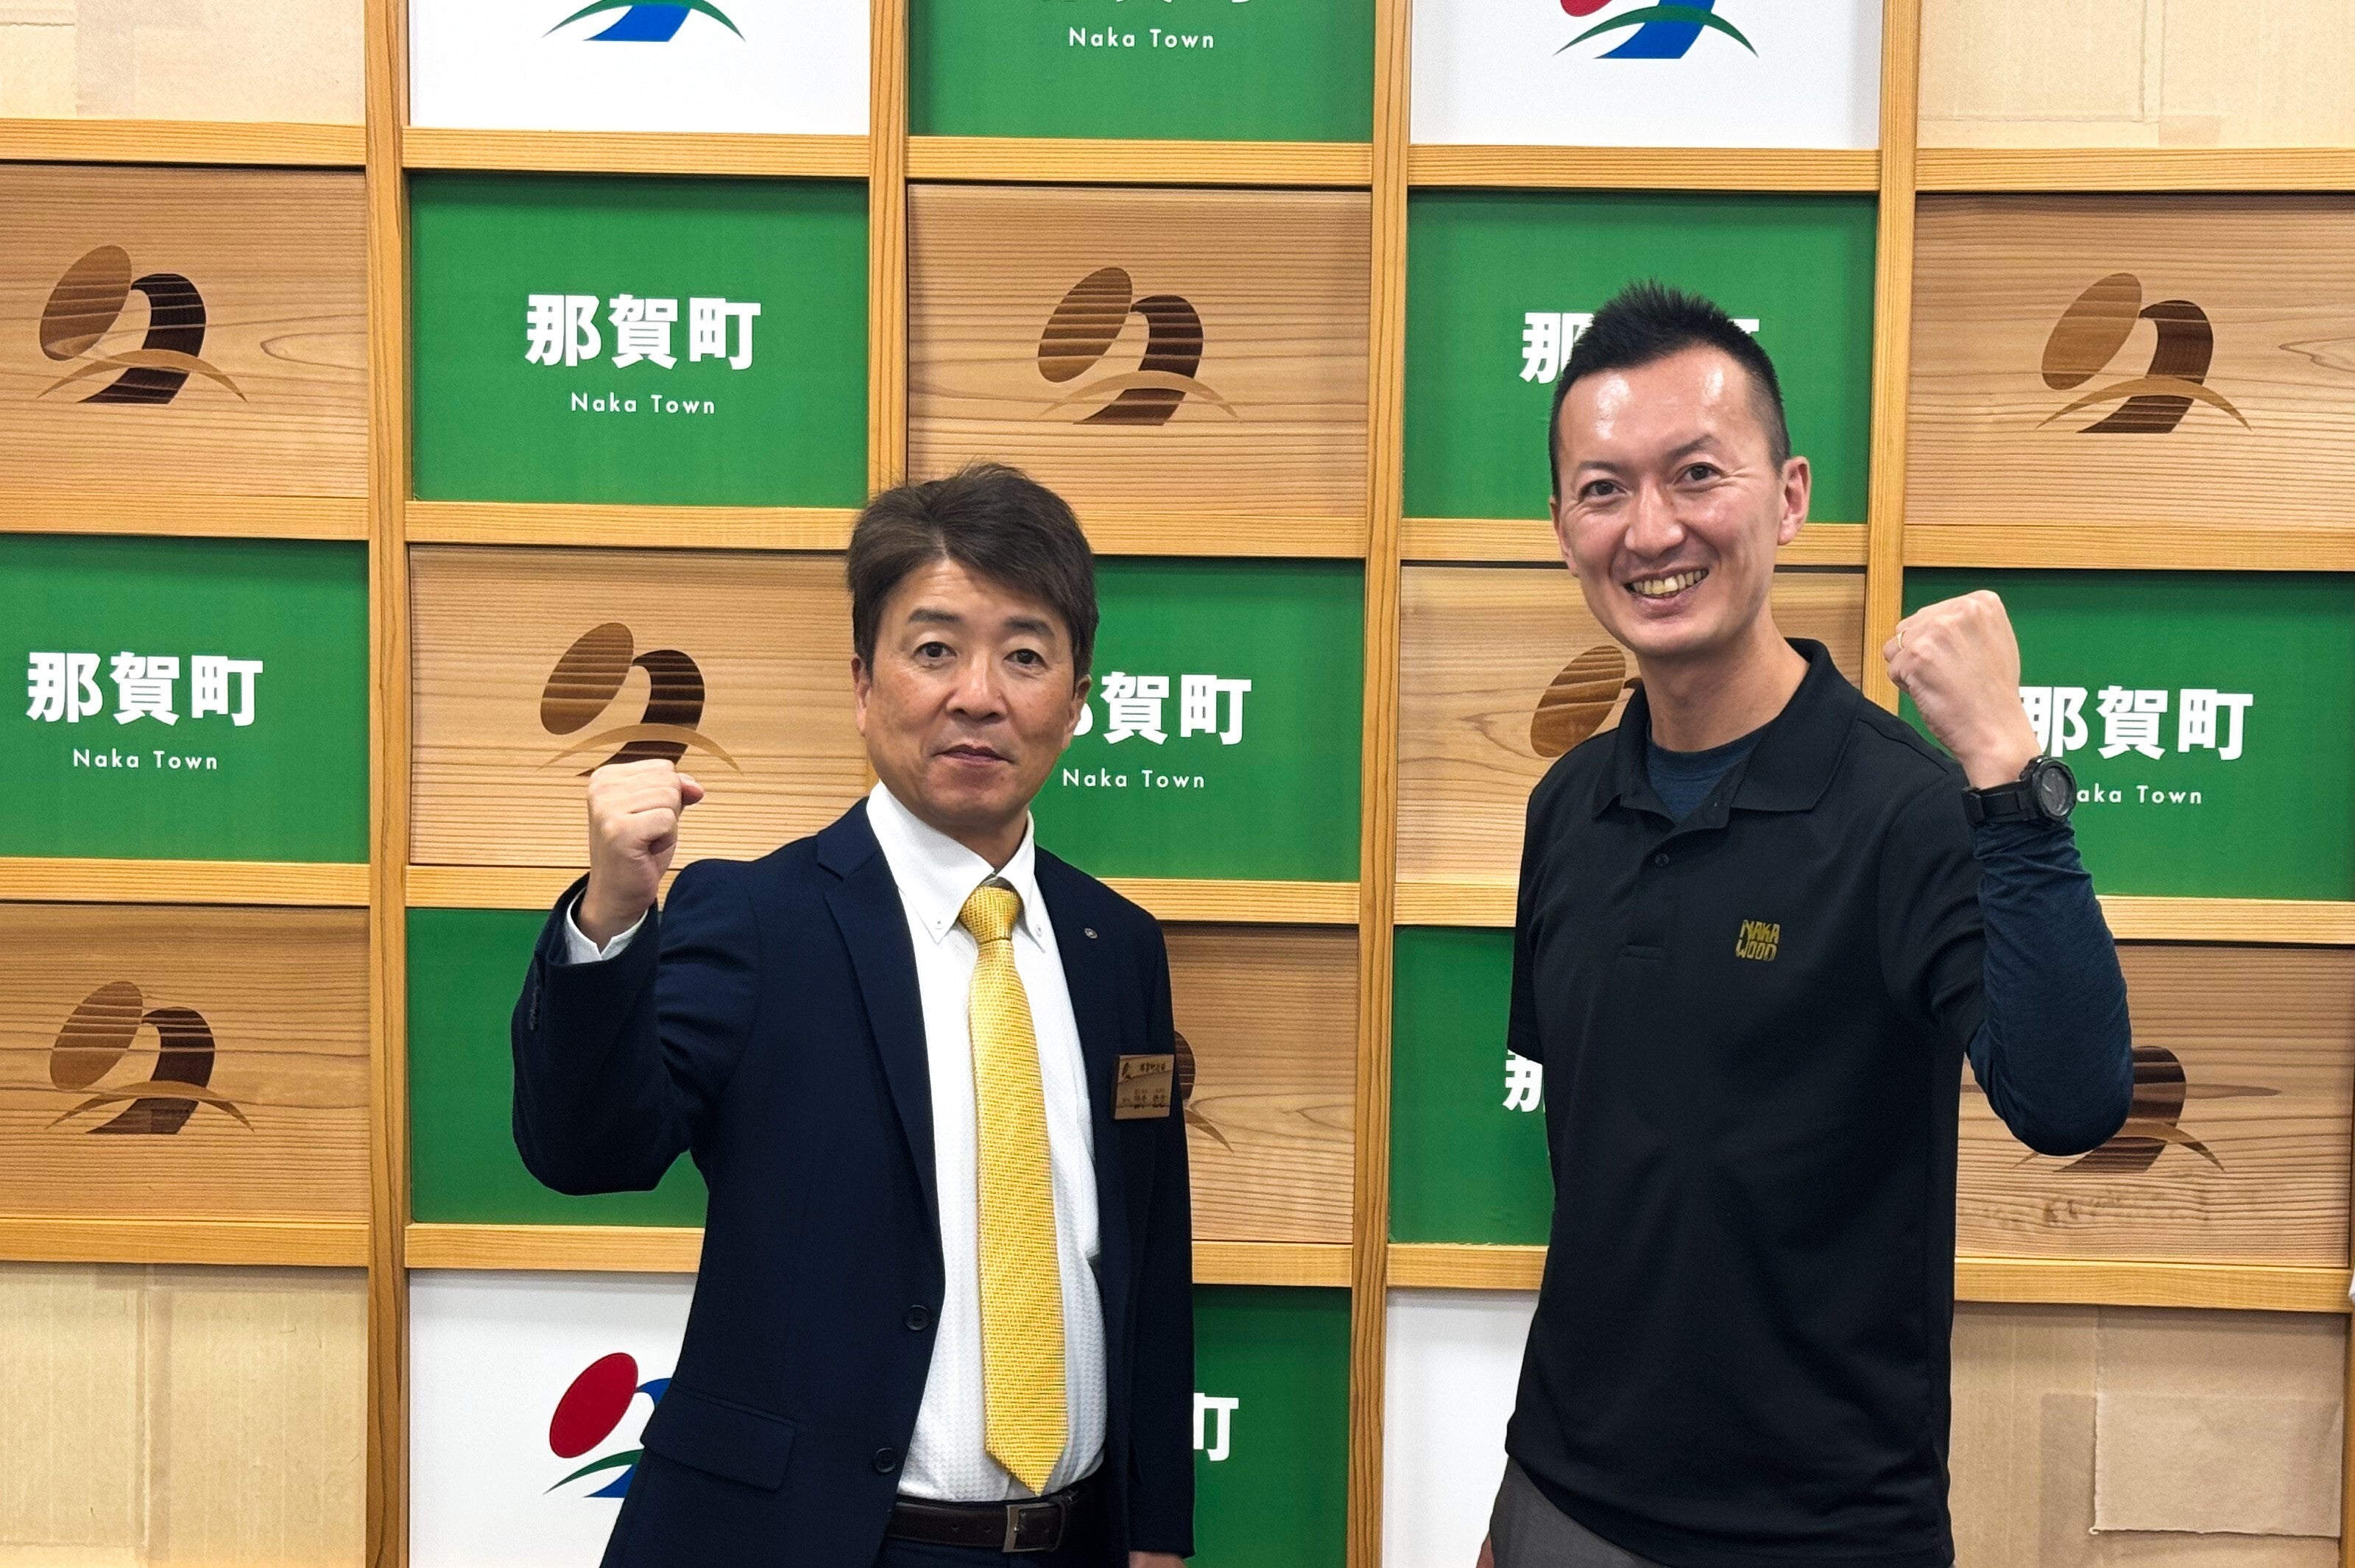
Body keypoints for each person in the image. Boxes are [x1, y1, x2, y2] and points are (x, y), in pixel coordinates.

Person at [1480, 283, 2134, 1568]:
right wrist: (1521, 1511)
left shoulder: (1912, 807)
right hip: (1564, 1497)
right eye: (1604, 489)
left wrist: (2010, 772)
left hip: (1826, 1531)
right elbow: (1615, 1175)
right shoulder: (1567, 807)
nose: (1651, 529)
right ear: (1561, 527)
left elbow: (2073, 1098)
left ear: (1788, 498)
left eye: (1696, 474)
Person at [511, 463, 1193, 1568]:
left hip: (1070, 1540)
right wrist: (613, 915)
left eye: (1025, 655)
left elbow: (1150, 1254)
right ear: (864, 684)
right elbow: (585, 1151)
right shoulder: (754, 918)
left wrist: (1155, 1529)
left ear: (1076, 698)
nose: (979, 695)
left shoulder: (1119, 946)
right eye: (935, 650)